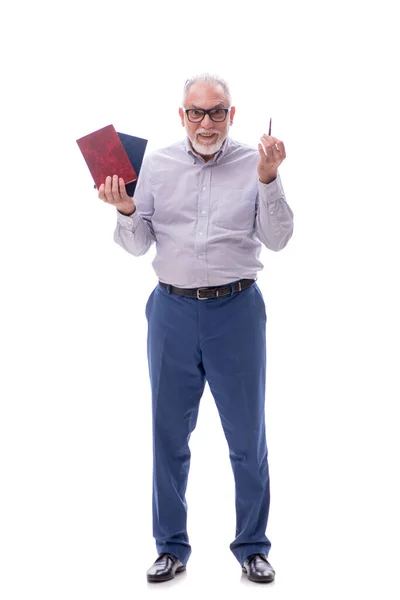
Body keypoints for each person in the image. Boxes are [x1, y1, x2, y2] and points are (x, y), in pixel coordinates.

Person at [98, 73, 294, 584]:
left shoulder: (257, 161)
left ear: (233, 114)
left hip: (238, 313)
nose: (206, 123)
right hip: (172, 314)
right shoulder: (155, 165)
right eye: (196, 112)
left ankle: (253, 546)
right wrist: (124, 207)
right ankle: (171, 547)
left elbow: (278, 240)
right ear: (180, 115)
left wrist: (270, 179)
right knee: (168, 436)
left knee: (248, 437)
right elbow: (138, 243)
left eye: (217, 111)